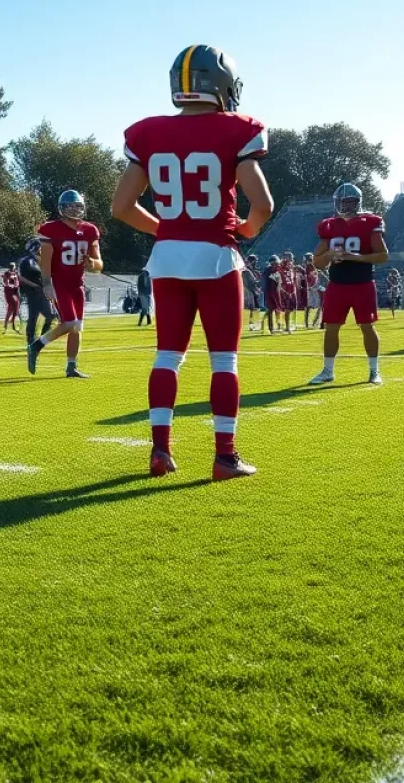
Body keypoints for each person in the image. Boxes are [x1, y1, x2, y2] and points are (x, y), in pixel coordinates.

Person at [112, 43, 272, 480]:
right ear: (220, 84)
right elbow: (263, 204)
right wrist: (246, 229)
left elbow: (122, 207)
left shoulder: (147, 133)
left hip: (167, 259)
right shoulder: (236, 129)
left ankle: (160, 452)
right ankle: (225, 457)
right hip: (216, 258)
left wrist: (165, 229)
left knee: (167, 356)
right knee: (224, 361)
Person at [308, 183, 388, 385]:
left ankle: (374, 370)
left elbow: (382, 256)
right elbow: (317, 261)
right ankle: (327, 371)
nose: (347, 205)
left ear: (358, 202)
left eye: (351, 201)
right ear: (337, 202)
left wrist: (355, 257)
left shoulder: (370, 222)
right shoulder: (330, 225)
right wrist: (328, 255)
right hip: (337, 284)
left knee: (367, 326)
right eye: (344, 201)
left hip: (362, 282)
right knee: (331, 327)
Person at [27, 189, 102, 378]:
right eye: (70, 206)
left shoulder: (90, 230)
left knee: (77, 327)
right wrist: (46, 283)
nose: (75, 209)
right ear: (62, 208)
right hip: (59, 283)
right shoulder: (51, 229)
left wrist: (92, 263)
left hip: (78, 285)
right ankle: (37, 345)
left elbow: (99, 264)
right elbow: (46, 260)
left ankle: (71, 366)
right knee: (69, 323)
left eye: (78, 206)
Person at [19, 239, 54, 346]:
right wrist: (34, 285)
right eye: (40, 247)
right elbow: (20, 277)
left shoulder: (40, 260)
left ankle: (41, 339)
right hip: (33, 292)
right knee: (34, 316)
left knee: (50, 315)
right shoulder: (27, 261)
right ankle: (31, 339)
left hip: (42, 291)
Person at [261, 255, 282, 334]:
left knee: (276, 309)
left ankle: (278, 326)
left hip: (275, 292)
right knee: (271, 310)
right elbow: (270, 281)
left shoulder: (275, 269)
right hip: (270, 292)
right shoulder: (269, 270)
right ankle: (271, 328)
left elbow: (278, 281)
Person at [242, 253, 261, 331]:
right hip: (250, 292)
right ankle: (252, 325)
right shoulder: (246, 270)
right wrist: (255, 289)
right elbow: (249, 282)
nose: (256, 263)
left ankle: (253, 324)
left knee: (255, 308)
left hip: (252, 291)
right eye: (255, 261)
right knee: (254, 308)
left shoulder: (251, 270)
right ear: (252, 261)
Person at [279, 251, 297, 333]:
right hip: (284, 290)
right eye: (290, 257)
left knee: (290, 309)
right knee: (285, 309)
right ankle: (285, 326)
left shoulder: (291, 268)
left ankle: (286, 326)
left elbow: (292, 279)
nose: (291, 259)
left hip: (291, 290)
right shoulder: (281, 267)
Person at [2, 262, 21, 332]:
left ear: (15, 266)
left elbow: (18, 282)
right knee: (12, 307)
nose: (12, 267)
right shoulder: (7, 273)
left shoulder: (16, 273)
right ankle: (8, 324)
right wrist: (9, 283)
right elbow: (5, 281)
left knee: (14, 309)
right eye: (11, 266)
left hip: (15, 292)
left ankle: (9, 324)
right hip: (9, 292)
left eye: (13, 266)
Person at [303, 253, 320, 328]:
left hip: (315, 289)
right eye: (309, 259)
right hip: (310, 289)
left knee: (319, 306)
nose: (310, 261)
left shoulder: (314, 267)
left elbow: (315, 278)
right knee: (308, 306)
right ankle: (307, 324)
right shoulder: (307, 268)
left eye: (311, 259)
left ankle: (314, 322)